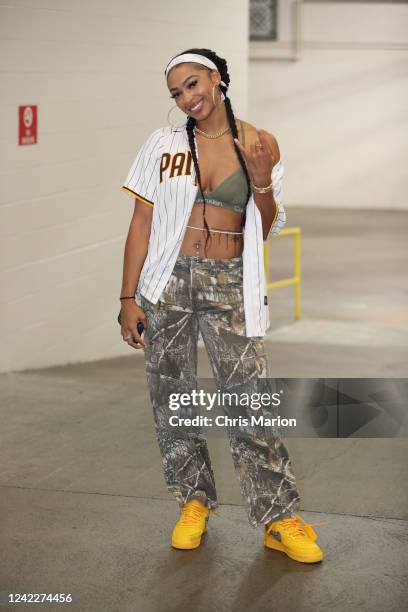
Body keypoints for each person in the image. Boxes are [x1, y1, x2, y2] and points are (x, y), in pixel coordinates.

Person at [119, 48, 324, 563]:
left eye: (193, 84)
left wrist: (259, 180)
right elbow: (141, 223)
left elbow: (269, 221)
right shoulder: (163, 144)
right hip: (166, 283)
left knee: (248, 396)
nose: (187, 98)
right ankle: (193, 499)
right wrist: (127, 296)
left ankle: (278, 516)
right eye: (177, 93)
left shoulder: (258, 142)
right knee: (172, 397)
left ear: (215, 78)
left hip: (229, 281)